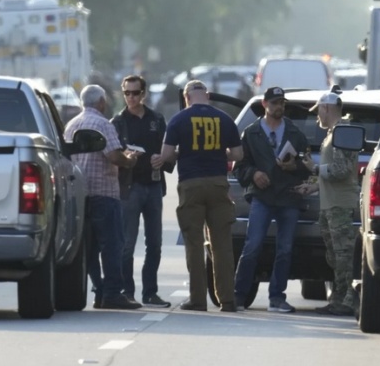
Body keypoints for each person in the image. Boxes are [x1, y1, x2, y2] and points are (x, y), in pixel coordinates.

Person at [160, 80, 243, 312]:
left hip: (191, 185)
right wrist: (217, 152)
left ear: (187, 97)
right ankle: (227, 299)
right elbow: (238, 154)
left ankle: (197, 299)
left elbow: (166, 155)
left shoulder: (179, 120)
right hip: (218, 185)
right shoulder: (224, 119)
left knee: (194, 243)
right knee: (222, 244)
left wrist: (184, 152)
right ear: (207, 95)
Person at [232, 87, 311, 313]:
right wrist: (254, 175)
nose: (279, 107)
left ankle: (277, 297)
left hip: (288, 197)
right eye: (275, 103)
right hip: (262, 197)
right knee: (252, 246)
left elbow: (307, 169)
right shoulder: (251, 132)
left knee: (285, 249)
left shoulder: (295, 134)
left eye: (282, 103)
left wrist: (294, 166)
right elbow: (239, 166)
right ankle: (239, 295)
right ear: (265, 105)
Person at [64, 84, 142, 310]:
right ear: (100, 102)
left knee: (89, 248)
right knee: (113, 246)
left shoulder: (71, 125)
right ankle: (112, 293)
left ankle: (99, 290)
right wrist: (130, 159)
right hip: (105, 194)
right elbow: (114, 156)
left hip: (80, 194)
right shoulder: (103, 124)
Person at [112, 75, 173, 308]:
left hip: (153, 186)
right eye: (127, 93)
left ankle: (150, 292)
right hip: (129, 187)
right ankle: (127, 292)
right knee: (127, 244)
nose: (131, 98)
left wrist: (163, 159)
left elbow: (169, 150)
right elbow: (111, 154)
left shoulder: (156, 119)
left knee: (155, 243)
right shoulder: (118, 122)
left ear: (144, 94)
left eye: (135, 93)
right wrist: (125, 158)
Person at [298, 89, 360, 316]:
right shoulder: (334, 133)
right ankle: (338, 297)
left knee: (343, 254)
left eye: (318, 112)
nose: (317, 117)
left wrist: (314, 169)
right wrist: (314, 186)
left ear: (326, 108)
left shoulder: (343, 133)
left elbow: (342, 170)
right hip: (330, 204)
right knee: (335, 254)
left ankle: (346, 300)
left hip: (340, 205)